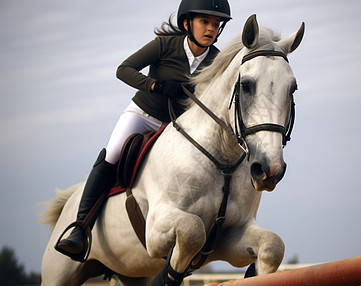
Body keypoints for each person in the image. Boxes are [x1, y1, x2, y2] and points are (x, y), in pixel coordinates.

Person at [55, 0, 232, 262]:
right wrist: (155, 86)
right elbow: (123, 69)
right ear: (187, 23)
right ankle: (79, 229)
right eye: (204, 22)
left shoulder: (218, 60)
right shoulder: (165, 45)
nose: (210, 29)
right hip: (143, 115)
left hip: (177, 127)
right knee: (113, 152)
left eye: (216, 24)